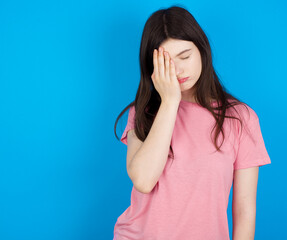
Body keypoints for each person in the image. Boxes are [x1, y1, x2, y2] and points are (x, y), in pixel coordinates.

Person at [113, 5, 271, 240]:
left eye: (185, 56)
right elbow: (144, 180)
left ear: (202, 50)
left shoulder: (240, 118)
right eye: (167, 62)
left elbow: (244, 211)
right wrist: (169, 102)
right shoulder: (143, 112)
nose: (178, 69)